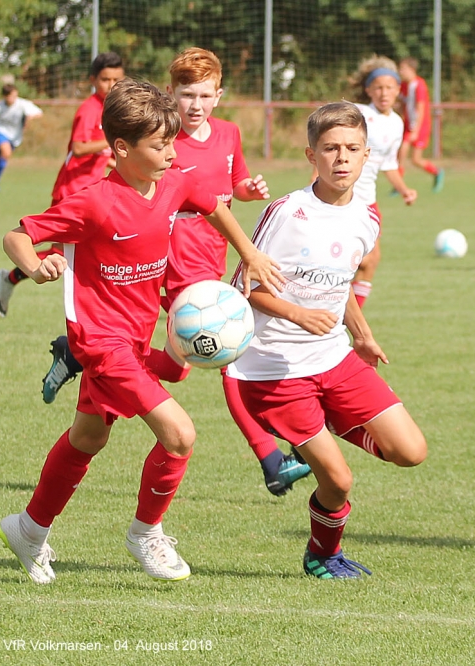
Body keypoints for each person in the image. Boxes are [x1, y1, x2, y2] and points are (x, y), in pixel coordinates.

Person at [0, 79, 284, 584]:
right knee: (180, 434)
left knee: (88, 437)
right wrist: (36, 266)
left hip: (134, 337)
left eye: (172, 141)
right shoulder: (95, 203)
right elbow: (18, 235)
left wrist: (250, 253)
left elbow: (213, 203)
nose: (172, 153)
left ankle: (28, 528)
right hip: (101, 343)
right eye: (160, 145)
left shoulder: (172, 183)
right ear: (122, 148)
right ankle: (145, 533)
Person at [36, 47, 312, 497]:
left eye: (205, 95)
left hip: (211, 257)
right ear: (171, 94)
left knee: (174, 371)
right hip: (177, 263)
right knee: (231, 355)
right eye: (187, 95)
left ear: (219, 95)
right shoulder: (161, 141)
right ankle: (270, 457)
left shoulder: (228, 134)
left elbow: (226, 193)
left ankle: (80, 355)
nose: (196, 104)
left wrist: (248, 193)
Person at [227, 101, 427, 578]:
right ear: (311, 155)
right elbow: (241, 288)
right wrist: (296, 313)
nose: (342, 158)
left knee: (410, 452)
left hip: (334, 357)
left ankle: (322, 426)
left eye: (352, 149)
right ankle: (322, 554)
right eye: (331, 148)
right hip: (275, 370)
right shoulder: (288, 212)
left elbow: (340, 285)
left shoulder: (366, 218)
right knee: (338, 482)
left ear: (366, 157)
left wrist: (362, 334)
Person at [0, 52, 125, 318]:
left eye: (116, 80)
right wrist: (116, 139)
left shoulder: (109, 109)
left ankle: (11, 279)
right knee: (67, 253)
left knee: (94, 249)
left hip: (95, 191)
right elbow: (79, 148)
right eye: (105, 79)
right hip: (72, 191)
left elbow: (100, 156)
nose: (111, 85)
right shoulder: (89, 109)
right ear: (92, 80)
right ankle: (10, 278)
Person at [349, 56, 417, 308]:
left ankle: (349, 318)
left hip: (368, 200)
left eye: (389, 87)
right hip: (346, 198)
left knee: (371, 261)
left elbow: (388, 164)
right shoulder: (359, 113)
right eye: (378, 87)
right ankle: (337, 314)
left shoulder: (397, 122)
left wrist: (404, 190)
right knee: (359, 260)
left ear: (398, 90)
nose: (384, 93)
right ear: (368, 90)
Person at [0, 84, 43, 193]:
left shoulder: (22, 104)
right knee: (6, 153)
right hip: (0, 132)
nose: (14, 98)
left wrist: (31, 117)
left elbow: (39, 112)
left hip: (15, 136)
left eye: (15, 95)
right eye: (11, 96)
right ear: (5, 96)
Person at [397, 57, 444, 193]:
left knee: (415, 160)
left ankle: (437, 172)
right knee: (401, 152)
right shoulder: (404, 85)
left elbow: (421, 108)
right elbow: (402, 104)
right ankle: (398, 185)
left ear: (411, 69)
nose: (401, 71)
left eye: (403, 69)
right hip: (408, 125)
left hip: (420, 126)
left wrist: (416, 130)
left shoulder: (419, 85)